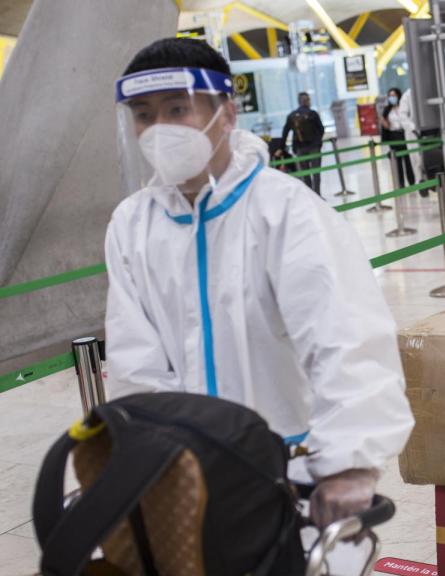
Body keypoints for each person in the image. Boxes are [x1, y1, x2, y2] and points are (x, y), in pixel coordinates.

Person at [107, 38, 414, 534]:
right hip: (185, 477)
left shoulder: (286, 212)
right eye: (144, 115)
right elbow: (134, 363)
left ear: (226, 114)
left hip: (293, 477)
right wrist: (152, 457)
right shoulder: (131, 225)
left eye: (177, 109)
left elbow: (346, 339)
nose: (158, 130)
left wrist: (349, 463)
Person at [282, 91, 325, 195]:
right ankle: (318, 195)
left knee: (305, 175)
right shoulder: (313, 114)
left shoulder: (292, 116)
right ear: (307, 101)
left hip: (300, 148)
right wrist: (318, 142)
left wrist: (281, 147)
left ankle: (310, 197)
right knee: (316, 174)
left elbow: (285, 132)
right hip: (314, 147)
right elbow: (321, 129)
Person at [381, 88, 416, 188]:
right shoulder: (387, 110)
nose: (392, 98)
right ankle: (400, 184)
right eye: (390, 96)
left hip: (404, 135)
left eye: (394, 95)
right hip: (393, 136)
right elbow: (386, 126)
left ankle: (412, 181)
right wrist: (383, 121)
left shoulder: (403, 107)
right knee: (397, 162)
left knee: (408, 159)